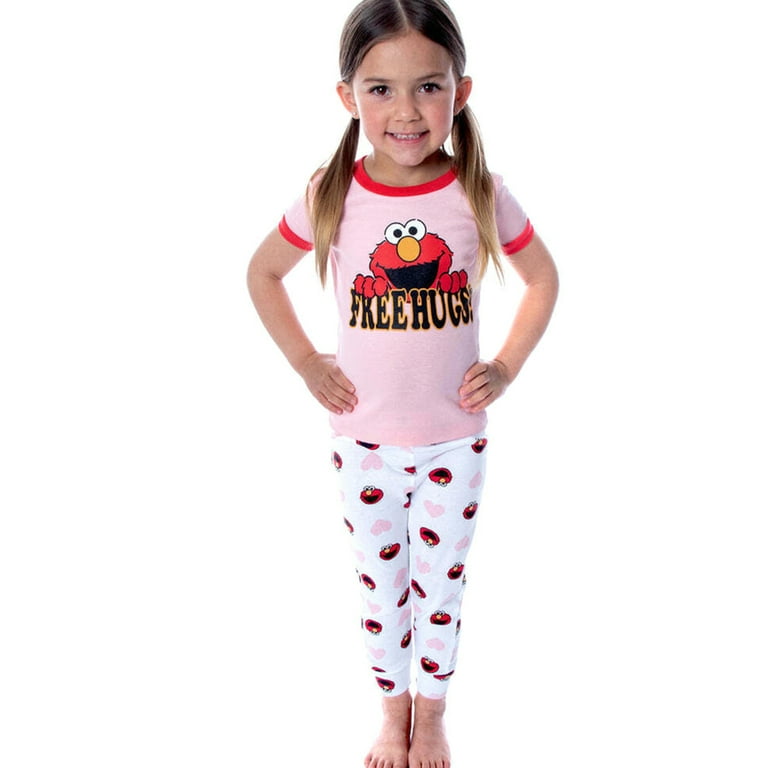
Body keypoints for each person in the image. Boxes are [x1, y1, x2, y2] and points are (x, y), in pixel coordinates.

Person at [247, 1, 558, 766]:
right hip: (363, 443)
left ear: (461, 90)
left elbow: (542, 279)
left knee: (439, 592)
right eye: (381, 89)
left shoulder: (478, 192)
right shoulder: (331, 193)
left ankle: (434, 713)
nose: (407, 111)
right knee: (381, 590)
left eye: (429, 86)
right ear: (348, 97)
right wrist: (307, 361)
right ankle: (392, 716)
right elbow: (262, 273)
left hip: (454, 440)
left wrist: (506, 366)